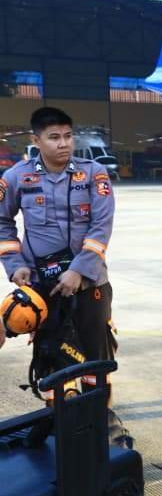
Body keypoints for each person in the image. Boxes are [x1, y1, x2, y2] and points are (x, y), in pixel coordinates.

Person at [0, 107, 116, 401]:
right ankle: (59, 416)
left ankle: (98, 415)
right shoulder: (17, 177)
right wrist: (14, 265)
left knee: (96, 358)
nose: (63, 143)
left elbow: (101, 226)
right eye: (54, 137)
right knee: (51, 358)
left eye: (68, 136)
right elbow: (2, 222)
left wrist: (78, 270)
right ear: (36, 140)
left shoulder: (93, 173)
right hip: (42, 287)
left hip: (90, 283)